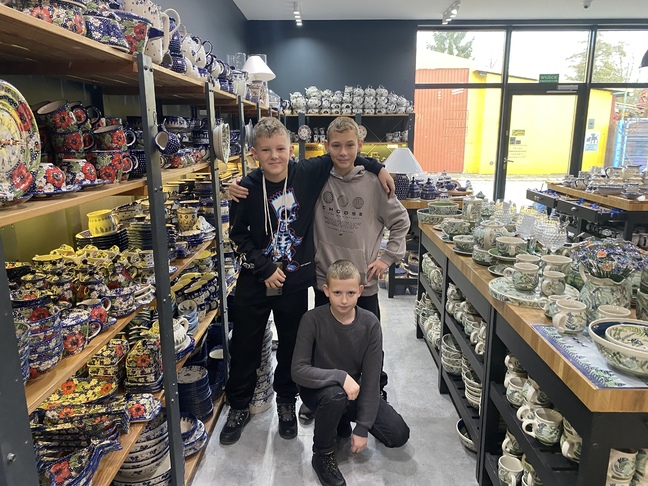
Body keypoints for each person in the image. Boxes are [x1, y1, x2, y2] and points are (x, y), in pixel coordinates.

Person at [220, 117, 394, 446]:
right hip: (255, 280)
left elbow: (343, 152)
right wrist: (264, 267)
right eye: (266, 150)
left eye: (281, 149)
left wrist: (378, 166)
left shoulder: (307, 172)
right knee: (244, 345)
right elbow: (238, 236)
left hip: (295, 281)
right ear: (254, 153)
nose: (274, 156)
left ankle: (287, 401)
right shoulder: (246, 188)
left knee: (292, 345)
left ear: (291, 150)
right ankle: (239, 405)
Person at [292, 260, 410, 486]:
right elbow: (298, 370)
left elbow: (372, 379)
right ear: (326, 290)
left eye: (350, 293)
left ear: (360, 291)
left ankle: (341, 419)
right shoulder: (312, 320)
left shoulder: (370, 324)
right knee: (335, 396)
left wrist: (363, 427)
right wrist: (340, 376)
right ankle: (322, 454)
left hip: (354, 390)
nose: (344, 300)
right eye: (337, 293)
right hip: (319, 390)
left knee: (398, 434)